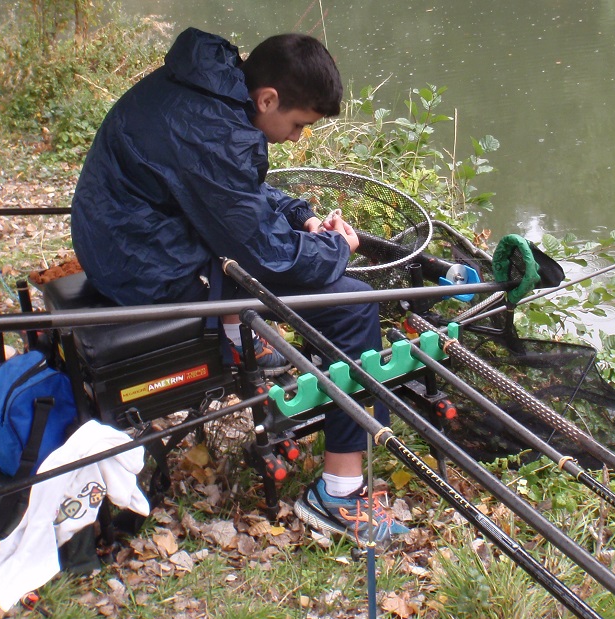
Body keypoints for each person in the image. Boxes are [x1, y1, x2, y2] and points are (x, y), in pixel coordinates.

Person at [70, 27, 407, 544]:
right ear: (267, 98)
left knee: (282, 256)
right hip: (143, 268)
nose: (297, 138)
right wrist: (338, 248)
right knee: (355, 309)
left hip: (125, 241)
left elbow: (227, 190)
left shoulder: (207, 92)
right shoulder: (210, 128)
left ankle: (235, 346)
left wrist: (299, 216)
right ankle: (337, 494)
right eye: (297, 125)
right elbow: (266, 255)